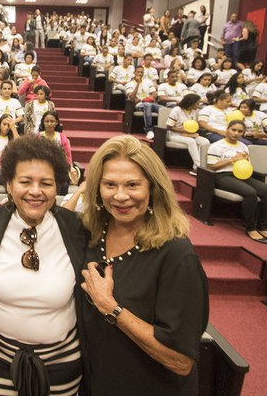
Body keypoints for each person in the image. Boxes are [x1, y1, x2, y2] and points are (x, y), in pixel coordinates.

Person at [76, 135, 208, 394]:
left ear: (153, 188)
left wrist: (111, 308)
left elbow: (180, 360)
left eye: (133, 185)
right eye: (110, 184)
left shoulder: (176, 254)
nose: (120, 196)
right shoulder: (89, 234)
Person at [0, 135, 88, 395]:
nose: (35, 191)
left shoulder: (77, 229)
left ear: (56, 186)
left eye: (45, 183)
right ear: (9, 185)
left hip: (62, 365)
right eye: (25, 182)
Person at [207, 120, 267, 242]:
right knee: (250, 192)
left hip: (242, 175)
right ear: (227, 129)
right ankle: (250, 228)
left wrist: (245, 160)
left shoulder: (243, 146)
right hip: (223, 176)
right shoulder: (216, 146)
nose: (236, 133)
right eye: (233, 130)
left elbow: (247, 166)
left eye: (240, 131)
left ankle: (263, 227)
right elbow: (211, 166)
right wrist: (232, 160)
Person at [165, 94, 210, 174]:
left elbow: (193, 126)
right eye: (197, 103)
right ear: (191, 103)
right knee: (191, 141)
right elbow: (169, 127)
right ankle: (199, 166)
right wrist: (185, 132)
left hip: (188, 134)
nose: (199, 105)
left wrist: (191, 133)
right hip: (174, 134)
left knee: (205, 141)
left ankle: (197, 166)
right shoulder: (177, 110)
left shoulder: (194, 111)